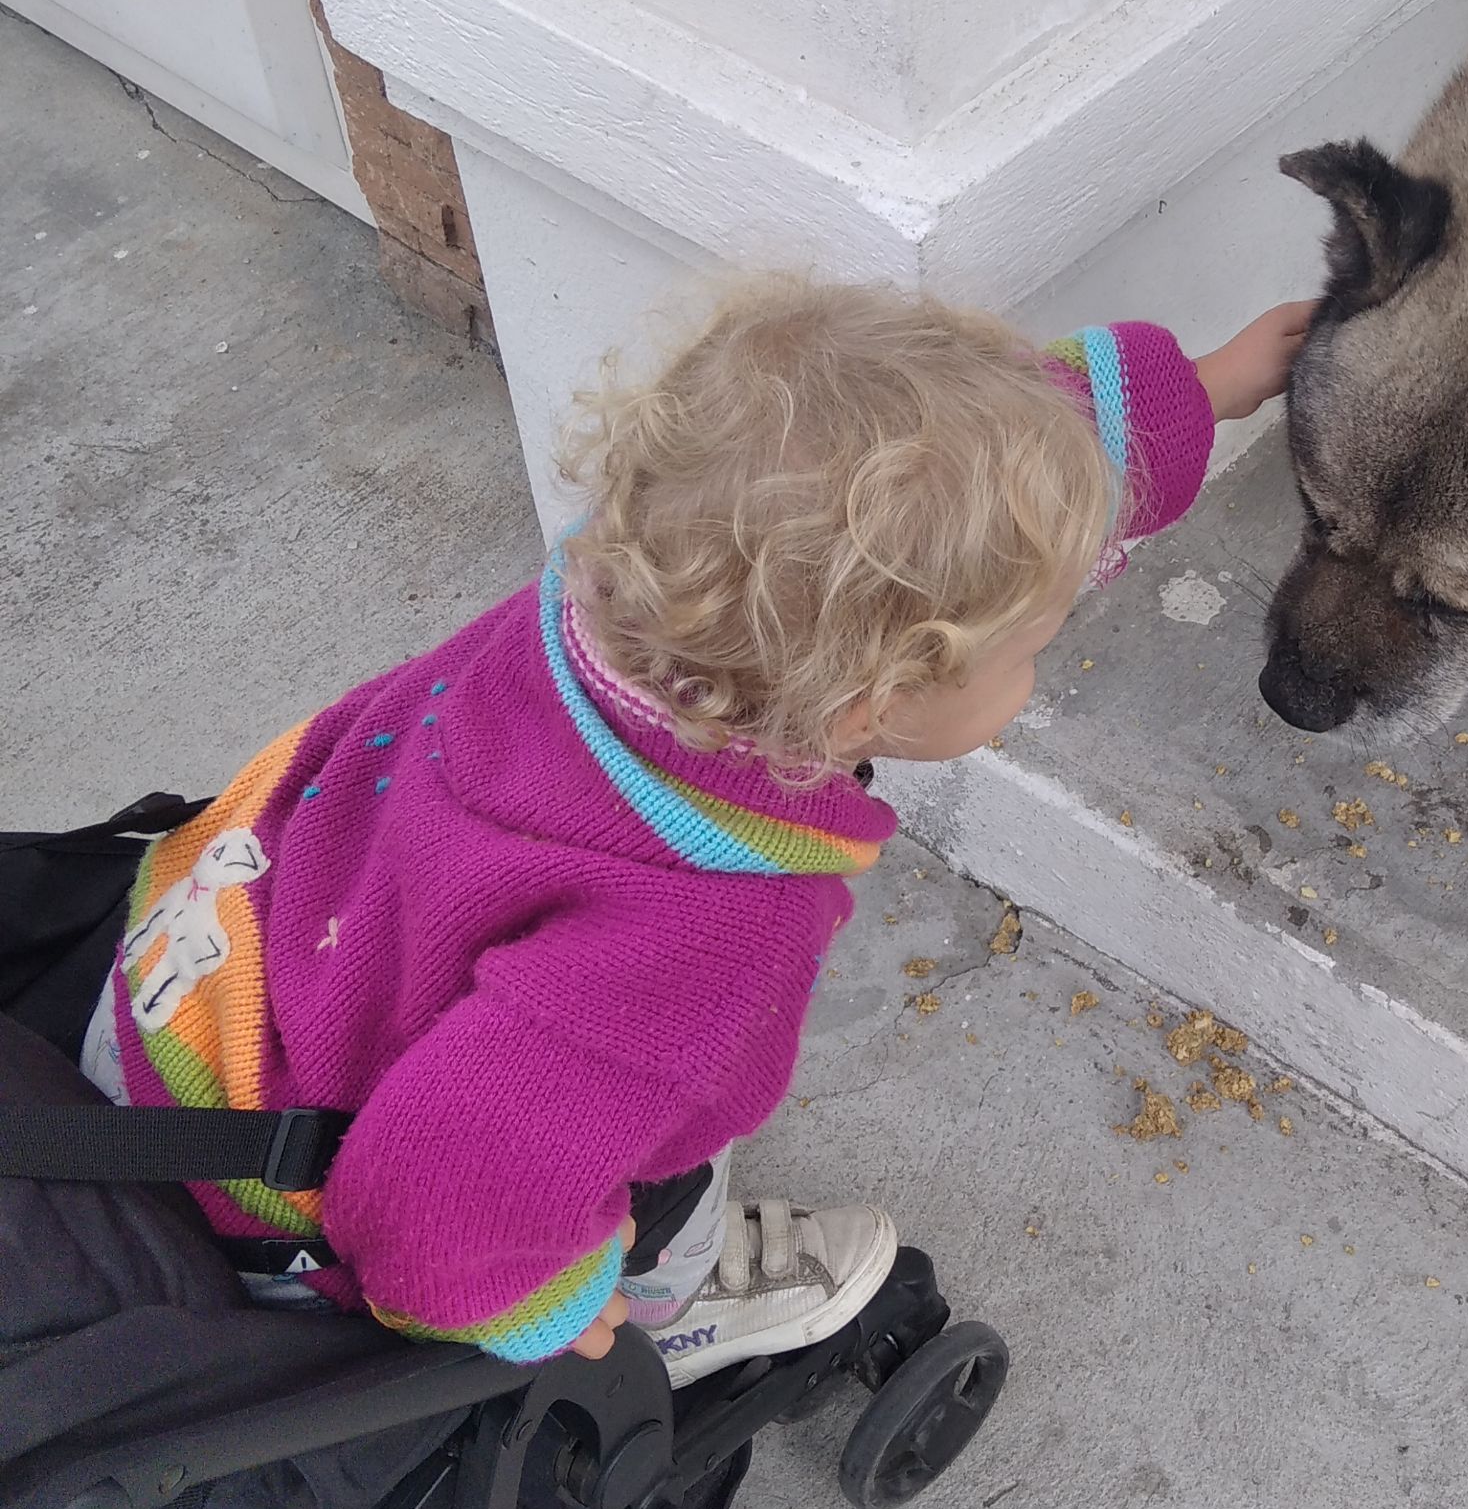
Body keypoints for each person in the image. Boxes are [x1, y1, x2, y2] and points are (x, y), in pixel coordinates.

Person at [77, 276, 1311, 1384]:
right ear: (869, 706)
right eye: (1028, 652)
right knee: (657, 1162)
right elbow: (437, 1200)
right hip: (260, 1181)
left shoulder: (642, 586)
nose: (1036, 661)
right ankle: (679, 1307)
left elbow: (960, 490)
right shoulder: (705, 929)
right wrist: (536, 1305)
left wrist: (1207, 387)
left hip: (193, 975)